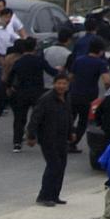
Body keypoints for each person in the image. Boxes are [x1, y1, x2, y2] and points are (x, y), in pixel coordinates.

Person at [0, 38, 55, 152]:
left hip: (21, 93)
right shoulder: (39, 61)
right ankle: (39, 138)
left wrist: (9, 87)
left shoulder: (19, 62)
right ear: (34, 47)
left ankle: (17, 143)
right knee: (39, 116)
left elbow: (11, 76)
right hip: (37, 93)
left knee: (19, 118)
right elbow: (51, 71)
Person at [27, 73, 74, 205]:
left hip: (62, 138)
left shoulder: (66, 97)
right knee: (53, 166)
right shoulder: (46, 99)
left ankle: (54, 195)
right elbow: (35, 118)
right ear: (54, 84)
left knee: (61, 166)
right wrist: (31, 135)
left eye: (64, 84)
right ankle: (44, 196)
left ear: (67, 85)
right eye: (59, 83)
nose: (61, 86)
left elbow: (68, 116)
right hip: (48, 139)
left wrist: (71, 132)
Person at [68, 38, 110, 153]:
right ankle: (73, 143)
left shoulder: (79, 60)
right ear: (101, 51)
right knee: (83, 121)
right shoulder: (101, 63)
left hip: (74, 94)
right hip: (89, 96)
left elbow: (70, 77)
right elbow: (106, 81)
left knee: (70, 118)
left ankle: (65, 140)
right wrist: (109, 91)